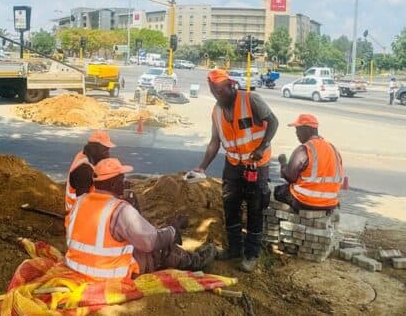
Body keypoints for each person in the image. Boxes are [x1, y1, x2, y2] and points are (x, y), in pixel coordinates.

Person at [65, 158, 216, 279]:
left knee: (141, 241)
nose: (124, 183)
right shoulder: (119, 210)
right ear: (112, 183)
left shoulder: (80, 202)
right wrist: (173, 229)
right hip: (107, 275)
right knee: (160, 249)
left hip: (77, 267)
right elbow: (150, 242)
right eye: (121, 179)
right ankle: (195, 260)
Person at [191, 69, 279, 272]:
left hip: (256, 164)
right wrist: (202, 166)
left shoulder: (251, 100)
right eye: (214, 92)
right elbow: (215, 141)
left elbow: (273, 122)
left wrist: (262, 147)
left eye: (221, 92)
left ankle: (251, 254)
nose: (218, 96)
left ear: (232, 86)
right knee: (230, 206)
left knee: (255, 208)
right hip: (233, 165)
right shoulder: (216, 111)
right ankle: (234, 250)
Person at [274, 114, 344, 213]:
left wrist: (283, 163)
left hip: (305, 201)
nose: (296, 134)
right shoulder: (333, 148)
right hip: (330, 203)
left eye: (298, 130)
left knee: (278, 191)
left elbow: (290, 177)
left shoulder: (305, 149)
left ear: (307, 130)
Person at [65, 131, 114, 214]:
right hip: (78, 217)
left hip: (85, 209)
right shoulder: (84, 170)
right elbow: (82, 205)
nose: (108, 154)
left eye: (108, 149)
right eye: (105, 150)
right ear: (94, 149)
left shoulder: (84, 155)